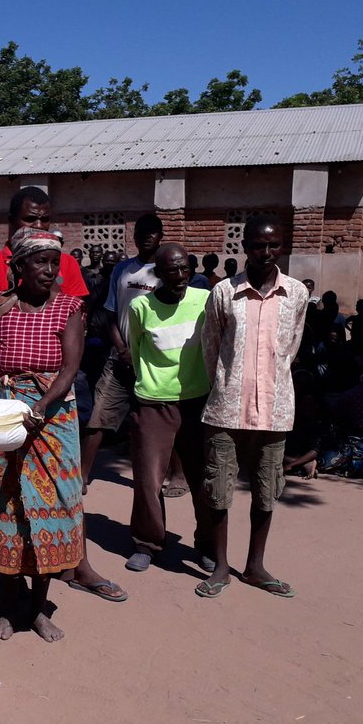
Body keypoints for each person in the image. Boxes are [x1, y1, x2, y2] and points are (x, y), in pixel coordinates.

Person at [0, 231, 117, 641]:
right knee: (4, 509)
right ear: (19, 266)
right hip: (4, 416)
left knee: (51, 507)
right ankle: (9, 607)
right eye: (40, 262)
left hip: (52, 419)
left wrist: (39, 406)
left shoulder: (69, 308)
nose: (50, 270)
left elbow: (70, 368)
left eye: (54, 263)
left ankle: (37, 609)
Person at [195, 215, 309, 599]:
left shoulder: (296, 294)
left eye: (273, 245)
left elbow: (290, 348)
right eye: (258, 245)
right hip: (226, 409)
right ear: (245, 247)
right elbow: (210, 347)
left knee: (267, 489)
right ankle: (221, 566)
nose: (266, 252)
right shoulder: (223, 293)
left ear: (283, 247)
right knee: (218, 490)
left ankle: (255, 566)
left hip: (275, 410)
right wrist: (227, 384)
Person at [122, 244, 214, 574]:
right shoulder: (140, 306)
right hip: (153, 403)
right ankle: (148, 542)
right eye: (171, 270)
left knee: (203, 478)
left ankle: (208, 544)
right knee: (148, 479)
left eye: (184, 268)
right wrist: (151, 385)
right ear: (158, 274)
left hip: (196, 401)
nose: (179, 276)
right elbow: (136, 350)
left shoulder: (204, 301)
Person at [79, 213, 164, 485]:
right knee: (99, 416)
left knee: (160, 421)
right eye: (141, 232)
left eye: (152, 232)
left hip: (155, 363)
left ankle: (175, 475)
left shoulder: (166, 271)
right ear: (134, 237)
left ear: (160, 236)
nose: (146, 237)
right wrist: (121, 347)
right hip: (120, 359)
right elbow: (110, 314)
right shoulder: (122, 270)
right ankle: (82, 476)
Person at [0, 186, 89, 299]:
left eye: (44, 219)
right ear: (11, 220)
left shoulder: (68, 264)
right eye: (30, 219)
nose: (39, 226)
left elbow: (76, 309)